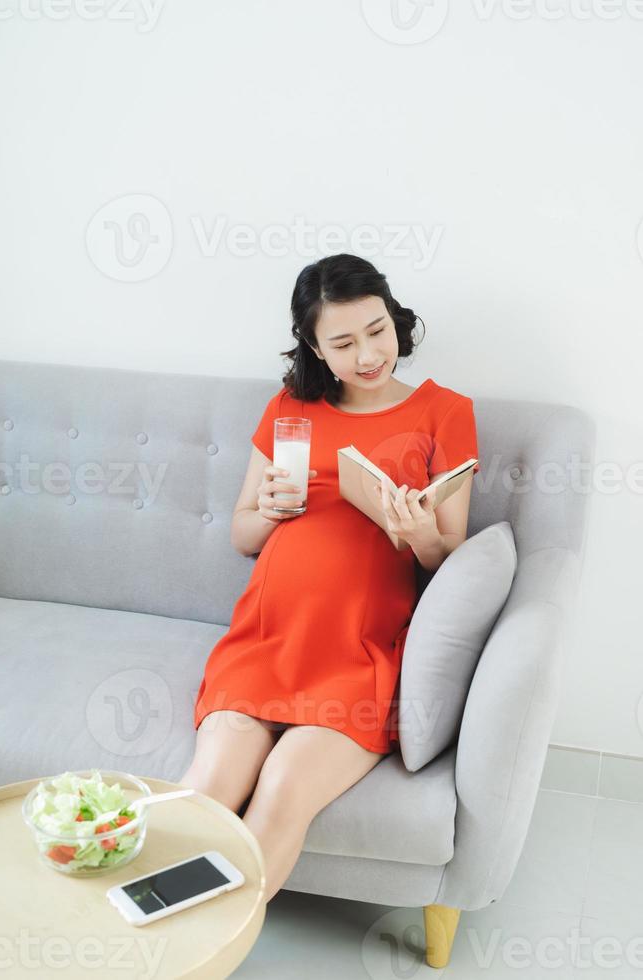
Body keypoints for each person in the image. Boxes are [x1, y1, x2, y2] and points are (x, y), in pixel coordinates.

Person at [179, 253, 480, 903]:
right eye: (343, 343)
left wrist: (420, 530)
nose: (369, 353)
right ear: (314, 347)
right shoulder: (291, 408)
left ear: (395, 317)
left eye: (378, 330)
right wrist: (270, 509)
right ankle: (141, 939)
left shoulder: (445, 412)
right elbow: (242, 536)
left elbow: (447, 557)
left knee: (285, 788)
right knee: (205, 789)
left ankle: (199, 949)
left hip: (356, 651)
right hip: (267, 638)